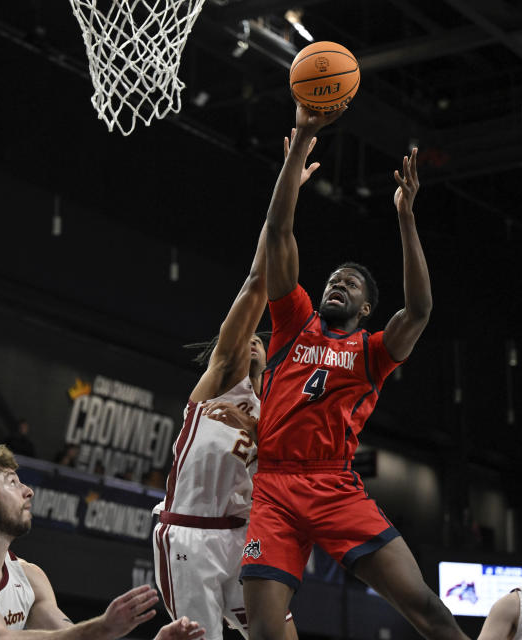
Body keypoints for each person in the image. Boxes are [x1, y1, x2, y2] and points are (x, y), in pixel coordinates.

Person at [239, 104, 468, 640]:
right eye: (333, 279)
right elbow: (277, 232)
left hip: (334, 484)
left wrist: (406, 219)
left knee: (426, 608)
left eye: (352, 283)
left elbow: (419, 312)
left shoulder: (372, 351)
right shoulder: (294, 323)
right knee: (267, 634)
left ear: (366, 308)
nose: (337, 283)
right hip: (273, 487)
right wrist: (299, 145)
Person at [152, 128, 322, 640]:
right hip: (191, 538)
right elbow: (258, 277)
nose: (253, 340)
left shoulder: (275, 409)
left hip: (244, 537)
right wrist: (291, 166)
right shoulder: (220, 383)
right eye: (248, 336)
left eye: (260, 340)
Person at [0, 443, 205, 640]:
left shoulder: (30, 577)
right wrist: (101, 626)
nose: (28, 491)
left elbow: (70, 637)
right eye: (12, 482)